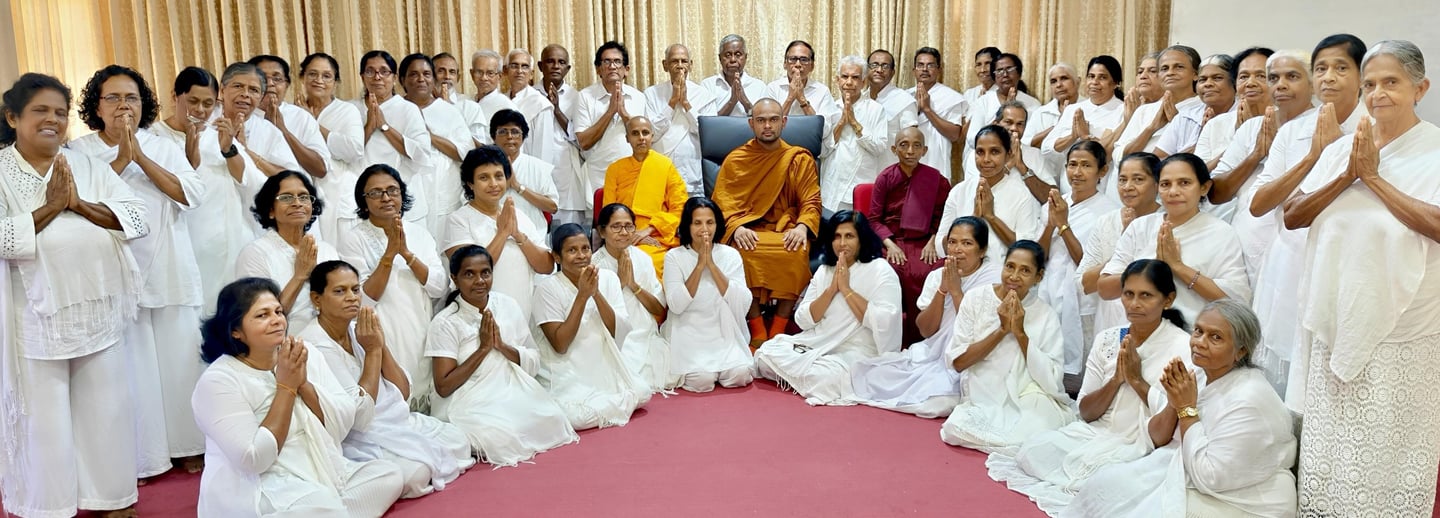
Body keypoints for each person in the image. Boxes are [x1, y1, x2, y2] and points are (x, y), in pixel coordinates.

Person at [1285, 40, 1440, 516]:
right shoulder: (1347, 148)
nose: (1377, 94)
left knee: (1389, 446)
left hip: (1403, 330)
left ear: (1420, 88)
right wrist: (1348, 172)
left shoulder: (1433, 151)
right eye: (1370, 84)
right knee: (1330, 448)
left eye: (1391, 82)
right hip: (1336, 317)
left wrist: (1373, 179)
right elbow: (1293, 215)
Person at [0, 73, 147, 518]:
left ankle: (112, 502)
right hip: (33, 326)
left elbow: (137, 219)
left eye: (60, 113)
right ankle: (47, 508)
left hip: (97, 314)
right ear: (13, 117)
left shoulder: (84, 164)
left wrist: (78, 204)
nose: (53, 120)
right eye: (41, 111)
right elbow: (3, 238)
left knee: (107, 414)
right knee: (44, 427)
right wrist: (50, 206)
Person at [71, 65, 208, 478]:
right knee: (133, 370)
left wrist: (140, 157)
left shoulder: (163, 144)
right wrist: (119, 161)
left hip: (169, 269)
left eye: (131, 98)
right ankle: (144, 457)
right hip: (112, 273)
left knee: (179, 361)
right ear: (96, 106)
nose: (123, 106)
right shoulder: (78, 152)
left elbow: (192, 194)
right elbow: (76, 202)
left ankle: (190, 445)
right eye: (112, 98)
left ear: (144, 103)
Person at [990, 259, 1192, 515]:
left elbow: (1162, 435)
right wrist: (1117, 379)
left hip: (1140, 445)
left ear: (1168, 300)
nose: (1134, 304)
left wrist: (1136, 380)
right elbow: (1085, 411)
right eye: (1128, 294)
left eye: (1146, 296)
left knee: (1110, 484)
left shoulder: (1183, 348)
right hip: (1095, 433)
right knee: (1032, 451)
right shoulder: (1108, 338)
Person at [191, 278, 404, 517]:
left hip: (319, 467)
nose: (276, 321)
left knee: (388, 474)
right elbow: (254, 459)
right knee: (323, 508)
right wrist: (286, 387)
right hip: (265, 485)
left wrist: (303, 384)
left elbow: (341, 423)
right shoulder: (219, 381)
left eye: (278, 311)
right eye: (262, 315)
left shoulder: (302, 352)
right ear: (235, 330)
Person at [1069, 300, 1297, 517]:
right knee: (1104, 485)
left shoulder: (1249, 399)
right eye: (1198, 331)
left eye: (1215, 337)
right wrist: (1172, 401)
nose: (1199, 342)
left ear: (1241, 351)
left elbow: (1209, 477)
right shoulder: (1200, 372)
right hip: (1192, 472)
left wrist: (1187, 409)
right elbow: (1157, 434)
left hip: (1244, 500)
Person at [1249, 34, 1368, 398]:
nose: (1329, 77)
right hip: (1290, 259)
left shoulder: (1376, 128)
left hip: (1349, 263)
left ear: (1362, 77)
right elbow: (1259, 204)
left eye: (1340, 68)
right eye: (1321, 69)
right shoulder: (1294, 131)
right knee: (1283, 371)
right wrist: (1313, 156)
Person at [299, 261, 472, 498]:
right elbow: (357, 418)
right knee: (416, 473)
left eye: (355, 289)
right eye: (340, 291)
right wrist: (371, 353)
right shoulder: (315, 344)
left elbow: (402, 392)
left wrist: (380, 346)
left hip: (394, 421)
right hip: (358, 436)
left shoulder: (358, 328)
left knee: (459, 440)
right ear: (316, 299)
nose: (351, 297)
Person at [426, 245, 578, 467]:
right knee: (497, 437)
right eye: (469, 274)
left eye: (485, 273)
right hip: (468, 400)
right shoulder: (445, 322)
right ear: (455, 279)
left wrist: (502, 346)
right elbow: (444, 386)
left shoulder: (507, 305)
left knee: (553, 418)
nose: (479, 280)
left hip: (509, 389)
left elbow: (534, 359)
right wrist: (483, 349)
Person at [851, 216, 1000, 417]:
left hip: (971, 357)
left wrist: (956, 291)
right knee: (869, 373)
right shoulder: (937, 275)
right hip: (933, 352)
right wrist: (942, 290)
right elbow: (926, 330)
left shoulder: (993, 279)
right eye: (953, 242)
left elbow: (977, 330)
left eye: (967, 243)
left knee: (937, 402)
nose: (957, 249)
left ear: (982, 250)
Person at [754, 210, 902, 405]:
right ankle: (803, 376)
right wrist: (832, 289)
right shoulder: (825, 270)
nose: (842, 243)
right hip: (818, 342)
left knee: (824, 379)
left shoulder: (880, 270)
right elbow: (803, 319)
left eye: (849, 236)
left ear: (861, 239)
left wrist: (847, 289)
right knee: (765, 354)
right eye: (837, 237)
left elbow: (886, 322)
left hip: (858, 350)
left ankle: (804, 376)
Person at [939, 240, 1074, 452]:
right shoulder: (976, 298)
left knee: (1043, 428)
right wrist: (1001, 330)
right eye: (1010, 266)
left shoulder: (1045, 314)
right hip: (983, 391)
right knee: (955, 428)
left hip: (1027, 393)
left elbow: (1052, 378)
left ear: (1038, 277)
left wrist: (1019, 333)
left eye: (1025, 270)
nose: (1014, 276)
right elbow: (958, 362)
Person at [710, 98, 823, 347]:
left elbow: (811, 201)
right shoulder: (736, 160)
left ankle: (779, 328)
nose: (767, 126)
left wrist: (803, 226)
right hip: (748, 230)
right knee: (740, 255)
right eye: (761, 120)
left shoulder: (798, 159)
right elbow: (721, 204)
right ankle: (757, 328)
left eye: (773, 119)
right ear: (751, 124)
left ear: (783, 122)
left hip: (786, 230)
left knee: (795, 251)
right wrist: (736, 228)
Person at [334, 164, 447, 401]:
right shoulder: (353, 239)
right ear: (364, 201)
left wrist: (406, 254)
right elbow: (361, 300)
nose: (386, 198)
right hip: (382, 329)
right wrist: (388, 255)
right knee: (395, 397)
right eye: (375, 193)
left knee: (424, 393)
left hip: (419, 325)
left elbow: (439, 287)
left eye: (392, 191)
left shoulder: (420, 234)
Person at [1099, 153, 1250, 325]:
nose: (1173, 192)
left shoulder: (1221, 233)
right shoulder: (1140, 227)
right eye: (1165, 184)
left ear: (1204, 187)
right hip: (1135, 331)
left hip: (1192, 338)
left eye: (1184, 183)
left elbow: (1236, 300)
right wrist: (1150, 266)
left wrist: (1177, 267)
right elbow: (1105, 289)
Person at [533, 223, 651, 429]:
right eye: (572, 250)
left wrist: (595, 293)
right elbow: (560, 345)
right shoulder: (546, 289)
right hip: (567, 368)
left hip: (604, 362)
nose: (581, 256)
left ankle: (606, 404)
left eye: (585, 248)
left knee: (643, 392)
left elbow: (618, 331)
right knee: (576, 417)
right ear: (557, 257)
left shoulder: (607, 278)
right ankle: (606, 405)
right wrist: (582, 296)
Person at [1208, 49, 1310, 286]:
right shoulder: (1252, 128)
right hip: (1242, 248)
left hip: (1294, 251)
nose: (1280, 85)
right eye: (1274, 78)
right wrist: (1255, 156)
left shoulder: (1322, 127)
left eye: (1291, 77)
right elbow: (1216, 192)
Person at [1037, 140, 1119, 384]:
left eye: (1086, 165)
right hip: (1048, 290)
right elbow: (1039, 257)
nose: (1077, 172)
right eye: (1072, 165)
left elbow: (1087, 264)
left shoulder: (1109, 213)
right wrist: (1051, 223)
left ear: (1102, 171)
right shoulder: (1054, 204)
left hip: (1082, 299)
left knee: (1078, 370)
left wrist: (1063, 225)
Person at [442, 145, 553, 322]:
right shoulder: (459, 220)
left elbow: (547, 266)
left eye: (499, 176)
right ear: (470, 183)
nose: (493, 184)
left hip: (520, 316)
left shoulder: (519, 216)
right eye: (484, 178)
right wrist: (502, 234)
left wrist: (518, 236)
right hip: (477, 318)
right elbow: (468, 271)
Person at [663, 198, 756, 392]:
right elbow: (676, 305)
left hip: (723, 329)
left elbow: (742, 302)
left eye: (710, 222)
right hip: (688, 329)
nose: (704, 229)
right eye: (697, 223)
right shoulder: (674, 257)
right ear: (687, 226)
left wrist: (711, 265)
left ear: (717, 225)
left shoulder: (730, 255)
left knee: (740, 375)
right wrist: (699, 266)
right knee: (701, 381)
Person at [867, 127, 949, 345]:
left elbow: (943, 217)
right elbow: (874, 219)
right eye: (904, 145)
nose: (910, 151)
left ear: (925, 150)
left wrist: (933, 241)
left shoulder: (937, 180)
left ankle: (925, 339)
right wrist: (890, 245)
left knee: (932, 272)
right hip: (892, 241)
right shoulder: (885, 178)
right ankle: (890, 340)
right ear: (894, 149)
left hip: (925, 242)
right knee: (890, 271)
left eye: (916, 145)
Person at [235, 171, 340, 334]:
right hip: (284, 348)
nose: (297, 203)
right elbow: (260, 319)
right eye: (286, 197)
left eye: (304, 197)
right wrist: (300, 275)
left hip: (330, 342)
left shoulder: (327, 250)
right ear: (271, 210)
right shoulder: (255, 254)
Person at [1076, 152, 1163, 344]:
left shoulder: (1167, 223)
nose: (1128, 187)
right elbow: (1084, 284)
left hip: (1153, 325)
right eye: (1122, 180)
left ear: (1157, 184)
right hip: (1109, 322)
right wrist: (1122, 244)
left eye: (1138, 179)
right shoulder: (1106, 222)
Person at [933, 125, 1042, 266]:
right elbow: (941, 247)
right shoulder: (959, 191)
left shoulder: (1022, 195)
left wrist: (991, 217)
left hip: (1001, 278)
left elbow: (1026, 250)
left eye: (994, 152)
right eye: (980, 152)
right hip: (961, 273)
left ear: (1009, 155)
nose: (986, 159)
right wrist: (974, 218)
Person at [593, 203, 674, 393]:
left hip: (646, 333)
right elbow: (594, 315)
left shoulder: (643, 259)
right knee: (630, 384)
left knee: (677, 373)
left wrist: (633, 285)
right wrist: (619, 285)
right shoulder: (594, 264)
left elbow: (658, 310)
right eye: (616, 227)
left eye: (629, 226)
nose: (624, 232)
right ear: (602, 232)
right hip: (613, 338)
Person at [354, 50, 435, 230]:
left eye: (384, 71)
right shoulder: (351, 109)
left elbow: (421, 153)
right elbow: (348, 153)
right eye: (370, 71)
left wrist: (384, 127)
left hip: (403, 194)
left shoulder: (408, 109)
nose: (377, 77)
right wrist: (369, 127)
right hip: (364, 197)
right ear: (362, 76)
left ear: (394, 77)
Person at [1110, 46, 1204, 196]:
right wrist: (1151, 128)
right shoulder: (1145, 110)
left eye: (1178, 67)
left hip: (1172, 193)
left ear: (1195, 74)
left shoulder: (1204, 110)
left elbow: (1197, 158)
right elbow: (1119, 156)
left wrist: (1176, 124)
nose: (1170, 72)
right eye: (1164, 68)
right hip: (1128, 191)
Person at [601, 116, 689, 274]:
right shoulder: (615, 169)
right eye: (635, 133)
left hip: (657, 235)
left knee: (653, 262)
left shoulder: (665, 166)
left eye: (645, 133)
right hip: (621, 235)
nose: (641, 138)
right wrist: (632, 235)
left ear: (652, 137)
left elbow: (680, 207)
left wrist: (648, 230)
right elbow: (609, 212)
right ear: (627, 138)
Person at [399, 53, 475, 234]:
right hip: (406, 195)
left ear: (433, 79)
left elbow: (466, 153)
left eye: (426, 74)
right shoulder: (395, 109)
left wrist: (427, 135)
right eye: (413, 74)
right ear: (402, 80)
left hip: (444, 197)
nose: (420, 79)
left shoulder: (448, 111)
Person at [297, 53, 367, 241]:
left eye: (326, 76)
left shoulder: (347, 111)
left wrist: (312, 123)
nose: (319, 80)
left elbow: (354, 151)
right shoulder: (293, 112)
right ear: (302, 78)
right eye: (312, 74)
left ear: (336, 81)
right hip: (303, 197)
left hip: (339, 195)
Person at [574, 41, 649, 216]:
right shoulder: (585, 96)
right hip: (598, 177)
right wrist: (609, 112)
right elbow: (583, 142)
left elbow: (644, 140)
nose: (612, 66)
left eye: (617, 62)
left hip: (633, 176)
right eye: (606, 62)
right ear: (598, 69)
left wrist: (623, 113)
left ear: (626, 69)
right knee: (600, 230)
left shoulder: (638, 97)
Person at [514, 44, 586, 228]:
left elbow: (581, 140)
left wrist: (556, 110)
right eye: (550, 61)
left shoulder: (577, 97)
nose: (555, 66)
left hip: (566, 175)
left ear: (568, 69)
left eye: (561, 62)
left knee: (567, 237)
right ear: (539, 66)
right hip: (531, 173)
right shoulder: (527, 96)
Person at [1043, 55, 1129, 200]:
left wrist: (1085, 138)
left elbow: (1111, 153)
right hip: (1069, 187)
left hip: (1104, 188)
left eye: (1102, 77)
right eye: (1091, 76)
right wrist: (1073, 136)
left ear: (1115, 83)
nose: (1094, 82)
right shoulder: (1073, 109)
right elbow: (1047, 149)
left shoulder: (1123, 111)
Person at [210, 62, 303, 188]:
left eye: (254, 90)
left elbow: (291, 179)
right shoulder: (206, 121)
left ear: (260, 97)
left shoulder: (268, 131)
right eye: (238, 86)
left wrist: (245, 151)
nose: (245, 94)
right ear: (222, 90)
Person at [645, 43, 718, 196]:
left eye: (684, 61)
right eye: (674, 61)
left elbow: (710, 137)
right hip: (660, 174)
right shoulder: (651, 94)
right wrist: (672, 102)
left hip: (692, 175)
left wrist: (686, 104)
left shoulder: (704, 95)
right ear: (665, 65)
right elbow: (651, 134)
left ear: (690, 65)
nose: (679, 66)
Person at [819, 55, 890, 213]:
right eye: (845, 77)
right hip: (832, 188)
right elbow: (823, 150)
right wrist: (841, 123)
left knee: (859, 236)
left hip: (861, 187)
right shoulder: (829, 107)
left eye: (855, 77)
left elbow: (879, 148)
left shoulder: (875, 109)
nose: (849, 82)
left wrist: (854, 123)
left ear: (864, 82)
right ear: (837, 80)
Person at [248, 55, 330, 181]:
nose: (270, 84)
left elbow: (320, 169)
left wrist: (282, 130)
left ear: (287, 85)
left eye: (277, 78)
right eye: (262, 78)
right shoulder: (241, 116)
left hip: (296, 196)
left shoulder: (301, 116)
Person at [1194, 48, 1274, 178]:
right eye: (1243, 77)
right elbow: (1197, 175)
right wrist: (1240, 138)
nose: (1250, 83)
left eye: (1261, 76)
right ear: (1235, 84)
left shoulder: (1286, 120)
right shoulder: (1215, 124)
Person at [963, 53, 1040, 173]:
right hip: (986, 160)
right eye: (999, 71)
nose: (1005, 74)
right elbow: (972, 138)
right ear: (994, 76)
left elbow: (1032, 139)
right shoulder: (983, 102)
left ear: (1019, 73)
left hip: (1023, 159)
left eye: (1009, 69)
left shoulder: (1033, 104)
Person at [1154, 54, 1236, 160]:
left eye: (1217, 78)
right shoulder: (1185, 117)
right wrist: (1199, 143)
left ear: (1234, 82)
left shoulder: (1243, 115)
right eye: (1202, 80)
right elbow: (1157, 159)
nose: (1208, 84)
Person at [491, 108, 560, 229]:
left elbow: (552, 207)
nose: (509, 136)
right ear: (493, 137)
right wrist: (505, 186)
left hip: (534, 235)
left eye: (515, 131)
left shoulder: (538, 167)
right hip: (492, 231)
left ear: (523, 137)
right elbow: (470, 202)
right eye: (502, 132)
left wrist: (518, 187)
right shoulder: (482, 166)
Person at [908, 47, 967, 180]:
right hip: (907, 160)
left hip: (936, 161)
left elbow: (955, 135)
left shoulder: (951, 97)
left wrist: (927, 110)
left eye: (930, 65)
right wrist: (916, 109)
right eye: (920, 65)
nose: (924, 69)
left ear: (939, 70)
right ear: (914, 70)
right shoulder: (904, 96)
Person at [149, 66, 216, 169]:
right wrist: (190, 164)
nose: (200, 110)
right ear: (174, 97)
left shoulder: (219, 137)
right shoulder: (153, 135)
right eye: (193, 101)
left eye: (208, 104)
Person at [1026, 63, 1079, 192]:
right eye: (1053, 81)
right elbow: (1028, 145)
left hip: (1077, 180)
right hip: (1045, 180)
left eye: (1064, 78)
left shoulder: (1087, 108)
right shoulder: (1041, 112)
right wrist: (1058, 124)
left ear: (1077, 81)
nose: (1059, 85)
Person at [764, 40, 840, 127]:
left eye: (804, 60)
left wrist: (802, 99)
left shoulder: (822, 91)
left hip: (811, 140)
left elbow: (825, 130)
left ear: (812, 66)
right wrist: (790, 98)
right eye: (793, 59)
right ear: (785, 64)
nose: (798, 64)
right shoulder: (773, 88)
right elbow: (769, 126)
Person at [703, 34, 768, 117]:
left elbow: (763, 121)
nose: (733, 60)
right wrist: (731, 102)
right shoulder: (708, 85)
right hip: (720, 130)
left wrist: (745, 102)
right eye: (728, 55)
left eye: (738, 54)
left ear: (745, 57)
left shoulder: (759, 86)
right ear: (720, 58)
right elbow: (707, 124)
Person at [865, 49, 919, 143]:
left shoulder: (904, 100)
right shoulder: (861, 98)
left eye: (885, 66)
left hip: (890, 157)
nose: (879, 70)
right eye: (874, 65)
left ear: (892, 72)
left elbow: (911, 140)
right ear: (866, 70)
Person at [466, 49, 519, 144]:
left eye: (490, 73)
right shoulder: (466, 102)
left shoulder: (506, 108)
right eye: (479, 72)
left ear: (500, 76)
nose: (484, 78)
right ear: (471, 74)